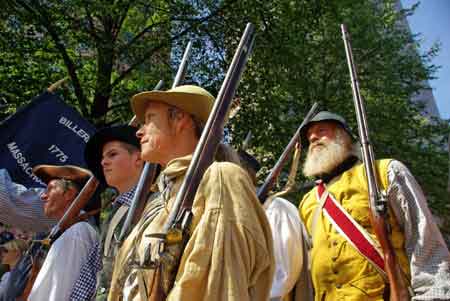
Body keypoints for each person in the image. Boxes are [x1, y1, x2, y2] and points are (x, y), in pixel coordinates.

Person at [108, 85, 274, 301]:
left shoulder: (221, 177)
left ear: (180, 120)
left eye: (150, 119)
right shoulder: (158, 201)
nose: (139, 131)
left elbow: (218, 286)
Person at [298, 111, 450, 301]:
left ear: (344, 137)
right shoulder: (307, 202)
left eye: (321, 130)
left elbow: (425, 242)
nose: (313, 137)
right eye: (310, 136)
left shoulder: (384, 172)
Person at [70, 125, 144, 300]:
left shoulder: (155, 205)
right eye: (103, 157)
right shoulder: (113, 213)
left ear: (139, 159)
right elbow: (92, 270)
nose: (103, 162)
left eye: (112, 154)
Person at [26, 165, 99, 301]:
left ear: (69, 194)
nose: (43, 196)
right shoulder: (66, 232)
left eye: (50, 189)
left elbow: (62, 292)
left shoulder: (77, 232)